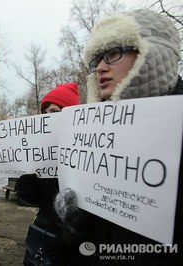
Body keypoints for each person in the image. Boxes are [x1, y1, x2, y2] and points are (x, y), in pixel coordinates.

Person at [54, 9, 182, 266]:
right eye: (96, 59)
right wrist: (80, 222)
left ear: (151, 55)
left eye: (112, 54)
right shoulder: (95, 132)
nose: (99, 68)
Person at [16, 83, 88, 266]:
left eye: (55, 112)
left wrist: (70, 235)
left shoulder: (88, 152)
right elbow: (35, 199)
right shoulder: (41, 152)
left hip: (74, 246)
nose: (48, 117)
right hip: (43, 233)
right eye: (45, 112)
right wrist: (26, 185)